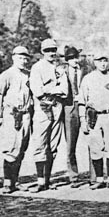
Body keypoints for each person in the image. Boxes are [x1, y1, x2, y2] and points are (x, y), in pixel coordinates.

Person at [29, 38, 69, 192]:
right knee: (40, 144)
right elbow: (38, 91)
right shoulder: (37, 68)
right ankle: (40, 181)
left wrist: (51, 89)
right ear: (42, 52)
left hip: (57, 108)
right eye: (47, 50)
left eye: (53, 50)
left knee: (53, 145)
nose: (51, 53)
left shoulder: (60, 69)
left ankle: (47, 180)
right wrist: (54, 89)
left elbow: (65, 91)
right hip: (43, 108)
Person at [78, 51, 109, 190]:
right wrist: (83, 121)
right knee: (96, 148)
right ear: (94, 62)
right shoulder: (88, 79)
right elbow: (81, 102)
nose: (102, 63)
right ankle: (99, 179)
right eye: (99, 61)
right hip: (94, 117)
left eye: (104, 60)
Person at [0, 46, 33, 194]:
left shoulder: (29, 75)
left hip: (26, 114)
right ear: (13, 58)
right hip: (11, 114)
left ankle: (15, 180)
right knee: (11, 148)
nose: (23, 60)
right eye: (20, 57)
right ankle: (7, 182)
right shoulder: (6, 75)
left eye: (25, 58)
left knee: (22, 147)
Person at [62, 46, 86, 188]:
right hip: (69, 108)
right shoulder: (62, 71)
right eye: (71, 58)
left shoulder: (84, 70)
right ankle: (73, 176)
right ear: (67, 60)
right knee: (70, 144)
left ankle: (96, 177)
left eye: (76, 57)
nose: (74, 60)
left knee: (92, 140)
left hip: (84, 107)